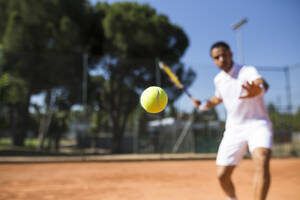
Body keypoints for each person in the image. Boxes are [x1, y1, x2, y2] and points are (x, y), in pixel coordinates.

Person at [191, 41, 273, 200]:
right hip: (234, 129)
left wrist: (258, 90)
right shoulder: (218, 80)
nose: (222, 59)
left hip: (258, 124)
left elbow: (261, 84)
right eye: (217, 57)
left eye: (224, 55)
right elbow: (217, 98)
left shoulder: (247, 70)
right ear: (213, 61)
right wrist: (202, 105)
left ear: (231, 54)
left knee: (262, 161)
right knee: (222, 176)